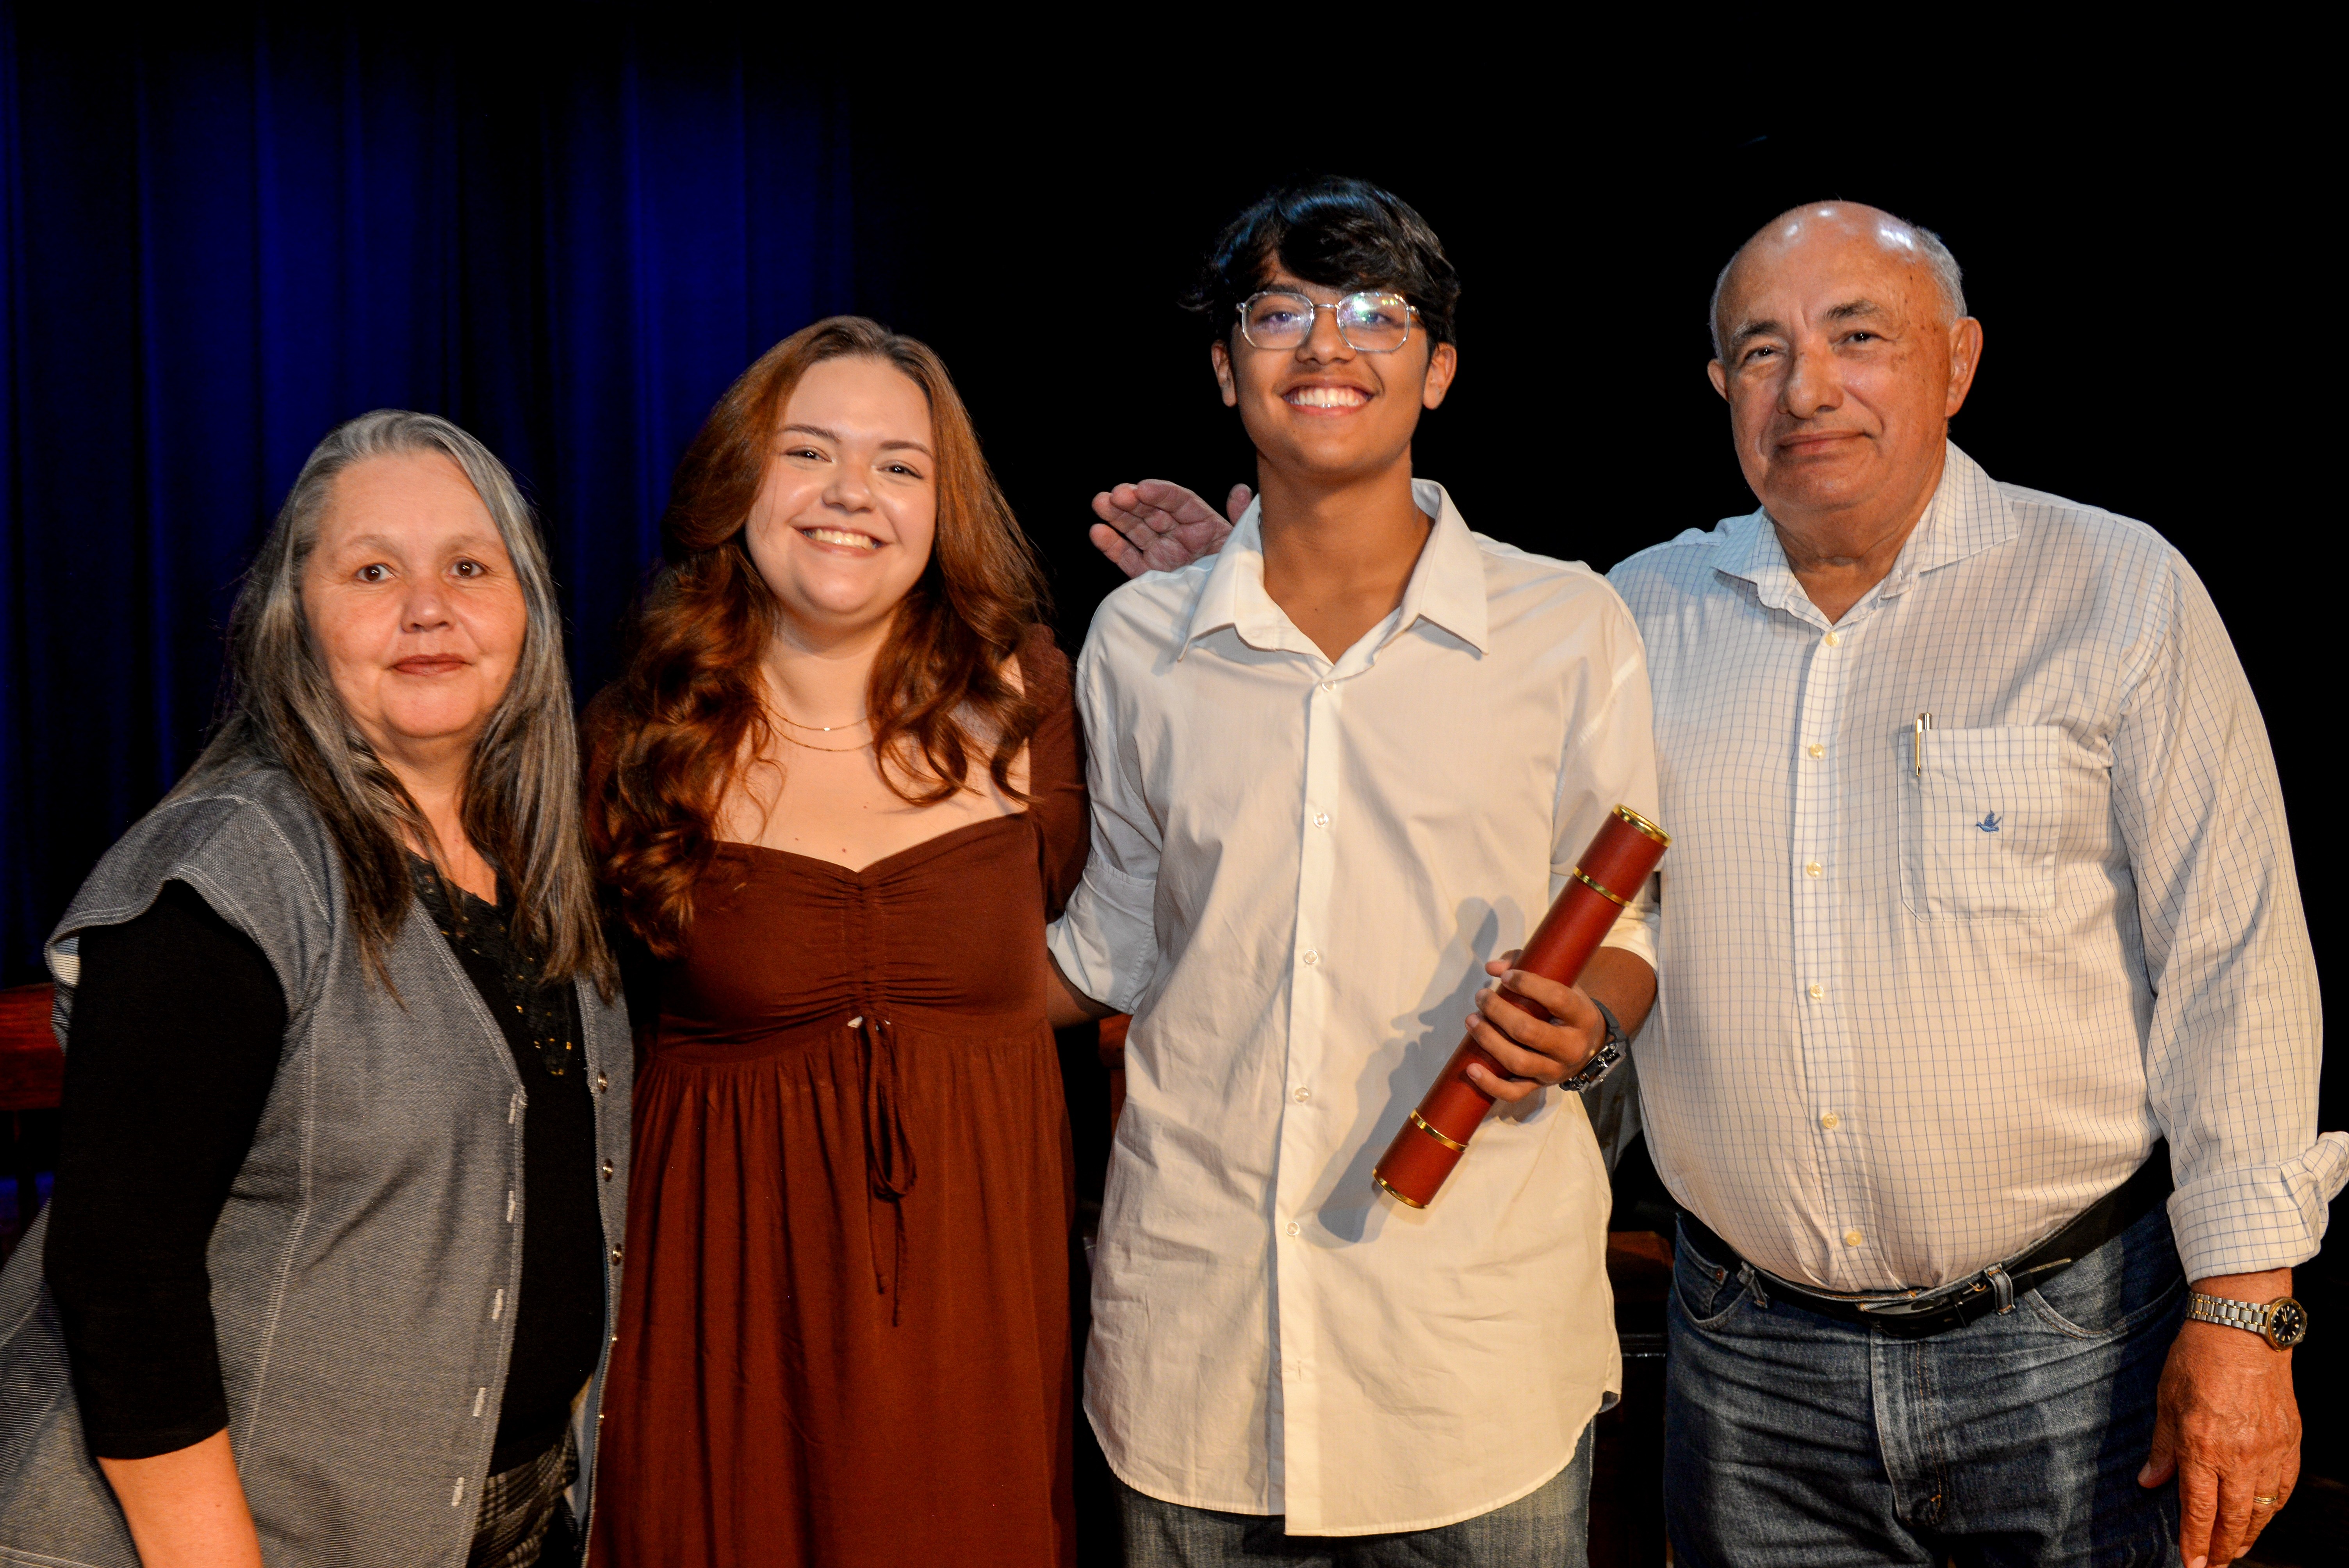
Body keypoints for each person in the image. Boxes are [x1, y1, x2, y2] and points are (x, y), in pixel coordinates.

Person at [1091, 202, 2345, 1568]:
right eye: (1761, 352)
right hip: (1752, 1367)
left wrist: (2247, 1312)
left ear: (1959, 362)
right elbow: (1414, 694)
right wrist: (1240, 593)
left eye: (1857, 338)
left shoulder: (2115, 590)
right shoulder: (1636, 614)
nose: (1806, 389)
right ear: (1718, 387)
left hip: (2068, 1349)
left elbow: (2236, 960)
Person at [1048, 176, 1661, 1567]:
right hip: (1197, 1347)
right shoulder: (1138, 640)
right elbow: (1114, 940)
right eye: (1281, 314)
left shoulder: (1567, 622)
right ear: (1226, 368)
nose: (1328, 345)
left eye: (1377, 313)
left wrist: (1589, 1023)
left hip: (1471, 1355)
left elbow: (1632, 925)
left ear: (1438, 369)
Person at [0, 410, 631, 1567]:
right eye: (373, 572)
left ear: (528, 614)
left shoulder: (537, 867)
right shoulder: (224, 879)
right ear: (294, 621)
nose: (428, 608)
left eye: (470, 568)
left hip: (509, 1526)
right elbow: (122, 1286)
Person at [582, 317, 1089, 1567]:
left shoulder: (1036, 701)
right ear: (738, 483)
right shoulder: (636, 739)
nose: (852, 493)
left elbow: (1139, 948)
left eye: (899, 465)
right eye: (807, 451)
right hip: (726, 1331)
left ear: (944, 507)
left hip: (976, 1326)